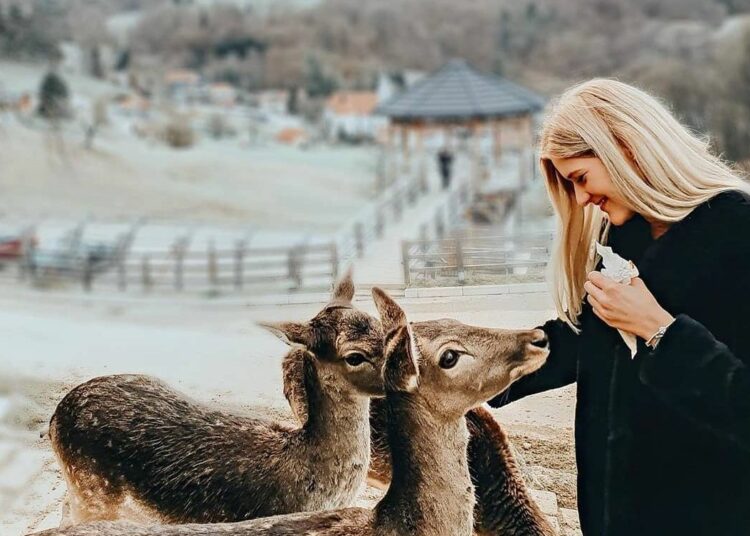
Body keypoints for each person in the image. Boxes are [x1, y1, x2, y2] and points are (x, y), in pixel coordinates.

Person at [489, 79, 750, 536]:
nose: (581, 201)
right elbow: (581, 342)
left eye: (581, 179)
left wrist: (662, 334)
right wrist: (468, 374)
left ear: (626, 148)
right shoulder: (625, 239)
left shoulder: (738, 233)